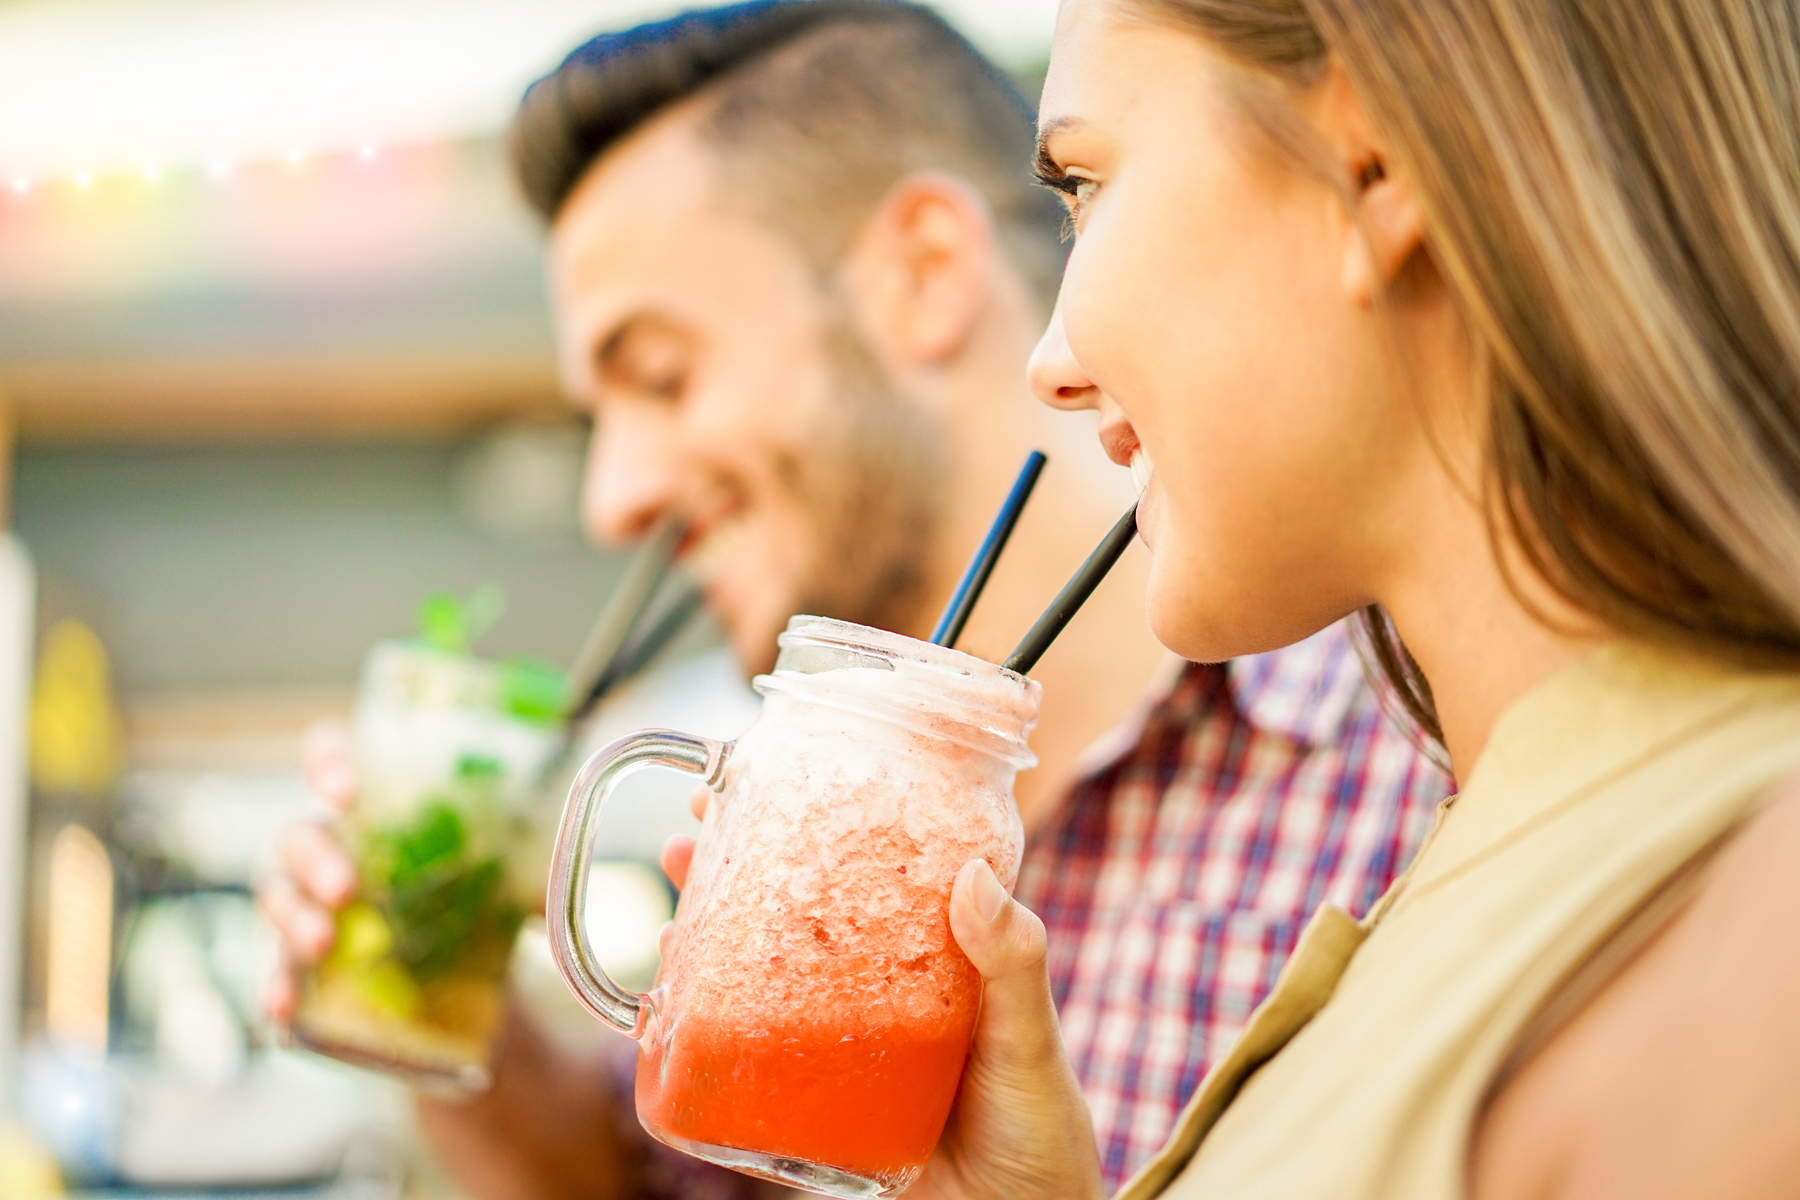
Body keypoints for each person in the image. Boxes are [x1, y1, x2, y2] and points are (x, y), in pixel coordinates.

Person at [258, 3, 1450, 1197]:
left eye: (662, 376)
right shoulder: (791, 792)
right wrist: (463, 1033)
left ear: (924, 274)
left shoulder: (1422, 776)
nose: (613, 499)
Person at [910, 0, 1800, 1197]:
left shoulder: (1751, 918)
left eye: (1084, 185)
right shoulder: (1512, 846)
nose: (1053, 363)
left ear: (1374, 163)